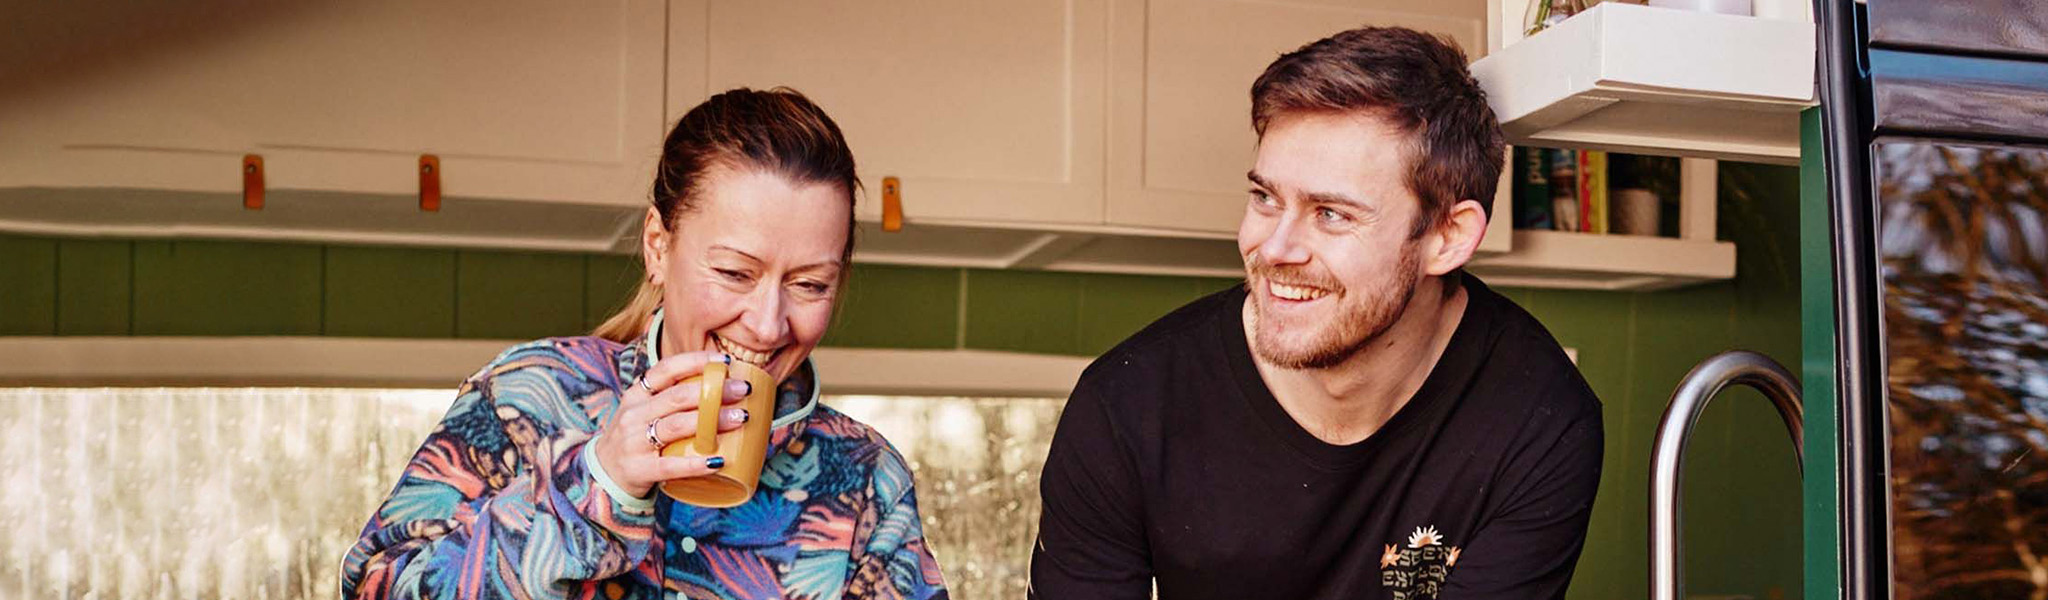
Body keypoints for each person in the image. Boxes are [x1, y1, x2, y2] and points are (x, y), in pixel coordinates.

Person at [1029, 26, 1603, 600]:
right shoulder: (1127, 407)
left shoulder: (1541, 419)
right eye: (1265, 198)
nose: (1274, 249)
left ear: (1449, 236)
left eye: (1331, 213)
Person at [341, 88, 948, 600]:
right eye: (735, 273)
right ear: (658, 245)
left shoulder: (867, 478)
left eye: (810, 284)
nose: (767, 325)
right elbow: (375, 587)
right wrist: (595, 484)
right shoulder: (527, 395)